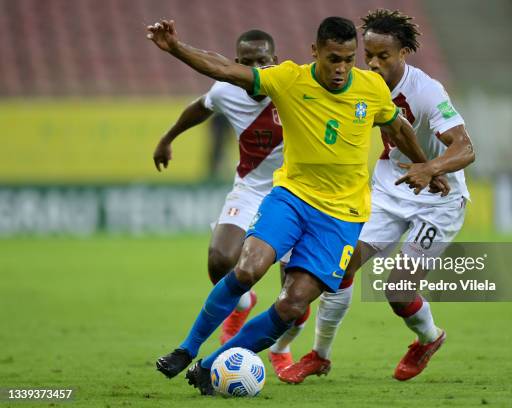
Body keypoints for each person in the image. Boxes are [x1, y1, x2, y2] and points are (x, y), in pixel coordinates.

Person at [146, 16, 449, 395]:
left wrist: (425, 165)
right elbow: (224, 67)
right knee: (247, 268)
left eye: (347, 59)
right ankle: (186, 349)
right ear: (314, 52)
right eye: (332, 58)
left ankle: (210, 366)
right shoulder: (289, 79)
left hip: (342, 217)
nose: (340, 69)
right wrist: (176, 48)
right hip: (291, 198)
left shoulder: (371, 87)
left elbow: (399, 126)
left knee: (291, 306)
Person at [279, 9, 475, 384]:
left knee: (398, 291)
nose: (374, 63)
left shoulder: (427, 91)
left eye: (384, 56)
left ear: (404, 53)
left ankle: (428, 339)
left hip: (440, 199)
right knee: (341, 266)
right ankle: (319, 355)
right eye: (369, 55)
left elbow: (466, 148)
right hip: (391, 188)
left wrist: (430, 168)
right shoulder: (361, 85)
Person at [152, 30, 308, 378]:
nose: (256, 67)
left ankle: (281, 348)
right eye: (248, 62)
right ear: (237, 65)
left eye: (263, 60)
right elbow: (200, 107)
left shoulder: (294, 89)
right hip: (251, 188)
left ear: (275, 61)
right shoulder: (226, 90)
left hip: (297, 193)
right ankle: (241, 303)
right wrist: (167, 138)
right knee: (220, 259)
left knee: (294, 295)